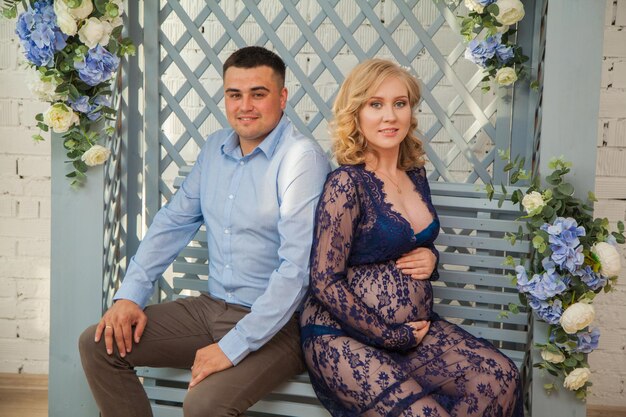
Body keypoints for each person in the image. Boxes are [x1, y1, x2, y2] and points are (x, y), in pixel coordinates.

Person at [79, 46, 332, 417]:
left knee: (204, 404)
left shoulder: (301, 159)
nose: (244, 105)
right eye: (234, 94)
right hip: (211, 308)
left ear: (282, 97)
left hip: (280, 324)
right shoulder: (215, 148)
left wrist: (232, 347)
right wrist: (129, 295)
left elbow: (296, 270)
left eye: (258, 94)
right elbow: (173, 221)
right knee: (98, 344)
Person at [300, 59, 522, 417]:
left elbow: (409, 240)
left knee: (500, 378)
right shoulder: (346, 183)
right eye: (376, 104)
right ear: (355, 113)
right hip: (343, 335)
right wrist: (391, 336)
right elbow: (324, 281)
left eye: (399, 103)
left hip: (411, 331)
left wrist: (432, 259)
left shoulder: (415, 174)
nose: (390, 116)